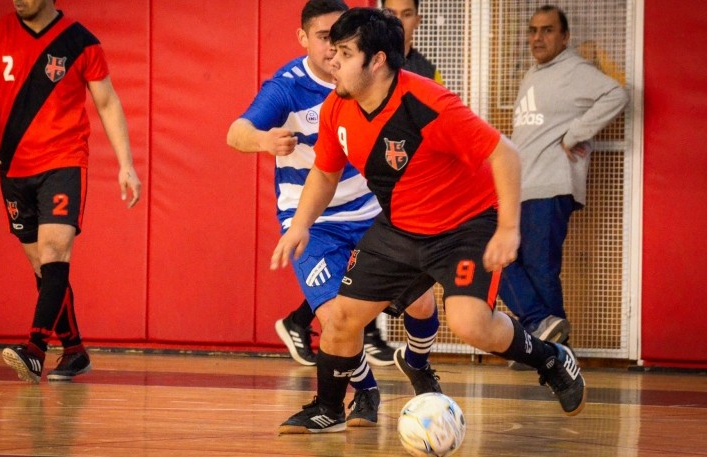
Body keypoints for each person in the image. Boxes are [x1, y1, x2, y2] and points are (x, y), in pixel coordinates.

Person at [271, 7, 585, 434]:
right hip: (400, 226)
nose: (333, 61)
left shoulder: (427, 103)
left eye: (344, 53)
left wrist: (509, 229)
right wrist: (302, 224)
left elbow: (505, 154)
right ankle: (327, 408)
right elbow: (325, 173)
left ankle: (550, 358)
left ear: (377, 60)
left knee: (470, 324)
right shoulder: (335, 109)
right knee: (341, 319)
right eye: (333, 51)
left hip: (466, 226)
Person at [227, 0, 441, 428]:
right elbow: (236, 132)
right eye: (324, 38)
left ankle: (417, 362)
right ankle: (365, 391)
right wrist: (264, 141)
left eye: (340, 39)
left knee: (420, 302)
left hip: (371, 214)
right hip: (314, 221)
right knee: (335, 318)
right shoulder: (287, 87)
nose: (332, 49)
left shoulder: (370, 78)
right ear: (303, 38)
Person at [0, 0, 141, 383]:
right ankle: (74, 351)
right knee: (41, 267)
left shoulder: (81, 42)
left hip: (63, 161)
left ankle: (34, 350)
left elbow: (108, 103)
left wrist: (126, 164)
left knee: (54, 253)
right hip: (13, 168)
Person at [500, 5, 628, 368]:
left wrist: (575, 135)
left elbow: (617, 96)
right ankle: (543, 339)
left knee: (539, 266)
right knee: (502, 259)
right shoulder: (533, 73)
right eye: (533, 30)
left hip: (550, 184)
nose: (538, 38)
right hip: (521, 187)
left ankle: (552, 351)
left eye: (547, 30)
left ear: (565, 36)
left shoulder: (574, 70)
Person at [382, 0, 443, 84]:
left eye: (407, 14)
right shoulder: (366, 64)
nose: (399, 21)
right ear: (380, 18)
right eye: (391, 13)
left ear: (417, 20)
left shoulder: (430, 75)